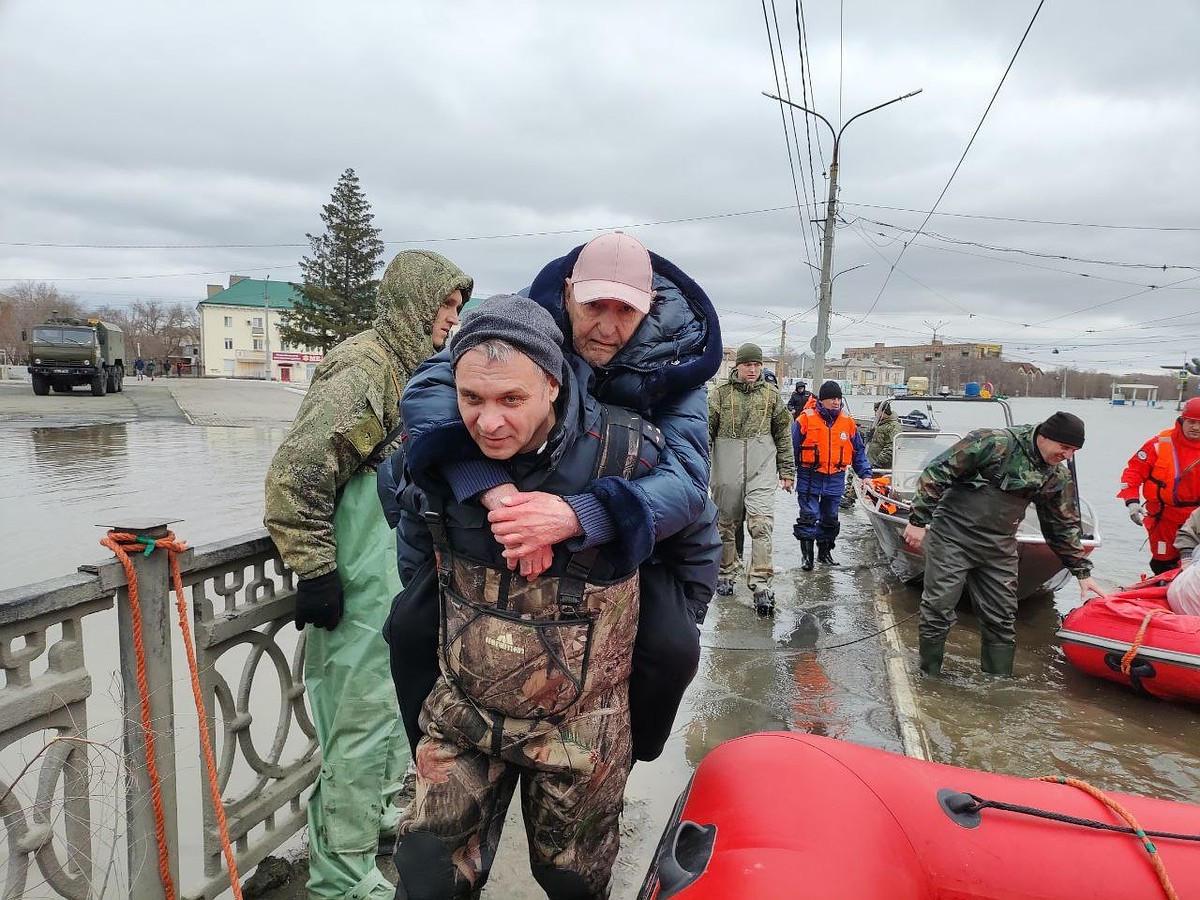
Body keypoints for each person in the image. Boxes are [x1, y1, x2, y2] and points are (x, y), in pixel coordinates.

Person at [387, 230, 722, 766]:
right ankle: (426, 755)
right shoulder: (518, 321)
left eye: (625, 311)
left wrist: (580, 514)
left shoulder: (677, 361)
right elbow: (431, 390)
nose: (607, 328)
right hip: (505, 502)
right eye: (593, 306)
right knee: (409, 626)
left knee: (672, 647)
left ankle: (626, 756)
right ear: (567, 292)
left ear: (650, 306)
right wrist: (486, 486)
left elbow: (687, 479)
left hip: (617, 518)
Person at [387, 296, 671, 899]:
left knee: (572, 883)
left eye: (510, 400)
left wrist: (580, 517)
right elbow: (412, 531)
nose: (489, 422)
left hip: (581, 729)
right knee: (425, 876)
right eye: (472, 399)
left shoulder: (628, 449)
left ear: (550, 382)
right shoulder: (441, 449)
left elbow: (689, 541)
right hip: (463, 713)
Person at [264, 249, 472, 900]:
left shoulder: (412, 371)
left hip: (387, 575)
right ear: (415, 301)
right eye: (446, 304)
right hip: (352, 580)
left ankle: (376, 821)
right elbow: (294, 477)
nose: (453, 318)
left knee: (385, 712)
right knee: (354, 727)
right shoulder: (366, 367)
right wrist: (316, 571)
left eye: (459, 308)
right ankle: (339, 875)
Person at [902, 411, 1104, 677]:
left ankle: (998, 686)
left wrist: (1082, 572)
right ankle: (928, 677)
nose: (1067, 455)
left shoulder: (1057, 476)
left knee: (1002, 616)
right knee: (938, 607)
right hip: (953, 536)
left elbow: (1061, 525)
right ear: (1043, 437)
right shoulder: (994, 442)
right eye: (1064, 447)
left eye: (1074, 450)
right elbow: (937, 472)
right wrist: (918, 521)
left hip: (999, 547)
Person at [709, 342, 795, 614]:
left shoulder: (771, 396)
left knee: (760, 524)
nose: (753, 369)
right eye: (748, 364)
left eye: (757, 365)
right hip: (727, 467)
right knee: (726, 525)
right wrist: (699, 469)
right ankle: (726, 572)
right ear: (738, 366)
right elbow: (704, 434)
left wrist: (787, 471)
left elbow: (783, 435)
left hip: (761, 467)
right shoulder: (720, 394)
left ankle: (761, 584)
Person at [793, 380, 872, 571]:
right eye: (832, 399)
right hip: (809, 475)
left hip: (836, 476)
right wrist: (786, 473)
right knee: (809, 516)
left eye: (838, 398)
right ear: (822, 400)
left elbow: (858, 452)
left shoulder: (848, 422)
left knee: (830, 517)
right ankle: (807, 557)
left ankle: (824, 553)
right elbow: (791, 448)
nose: (836, 402)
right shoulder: (805, 419)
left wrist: (866, 475)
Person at [1118, 397, 1200, 573]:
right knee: (1163, 564)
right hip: (1164, 518)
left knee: (1194, 564)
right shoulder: (1160, 444)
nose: (1196, 427)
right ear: (1182, 420)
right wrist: (1132, 502)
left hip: (1197, 518)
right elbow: (1133, 472)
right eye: (1192, 422)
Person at [867, 400, 900, 469]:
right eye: (875, 411)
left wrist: (877, 463)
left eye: (877, 411)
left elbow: (891, 447)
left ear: (885, 411)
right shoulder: (877, 424)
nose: (876, 414)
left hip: (881, 466)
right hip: (869, 463)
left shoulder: (893, 426)